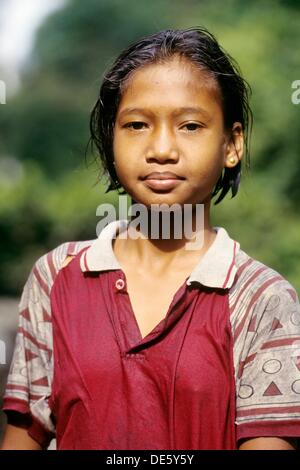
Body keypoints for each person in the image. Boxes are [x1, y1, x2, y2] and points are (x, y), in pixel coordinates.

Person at [1, 27, 300, 451]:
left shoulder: (261, 299)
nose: (161, 149)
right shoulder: (58, 277)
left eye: (191, 125)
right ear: (111, 140)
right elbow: (24, 435)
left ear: (232, 144)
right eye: (137, 125)